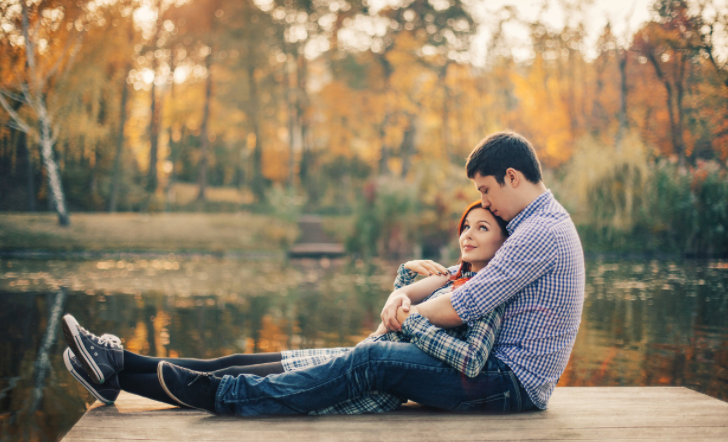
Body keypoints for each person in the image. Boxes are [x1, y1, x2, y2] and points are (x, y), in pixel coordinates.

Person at [67, 131, 585, 416]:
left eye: (487, 191)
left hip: (505, 384)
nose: (483, 202)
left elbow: (461, 305)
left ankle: (225, 396)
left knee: (374, 358)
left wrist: (401, 312)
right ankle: (118, 363)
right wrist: (408, 290)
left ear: (512, 177)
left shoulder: (540, 232)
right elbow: (459, 279)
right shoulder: (529, 227)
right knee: (302, 356)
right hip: (487, 373)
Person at [62, 201, 510, 414]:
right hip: (356, 357)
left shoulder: (488, 292)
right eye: (465, 225)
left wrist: (412, 320)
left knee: (228, 378)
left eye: (482, 228)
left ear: (503, 242)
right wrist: (405, 280)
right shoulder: (454, 275)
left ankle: (116, 371)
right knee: (235, 360)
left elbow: (470, 359)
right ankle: (116, 365)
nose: (468, 234)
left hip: (369, 385)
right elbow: (390, 320)